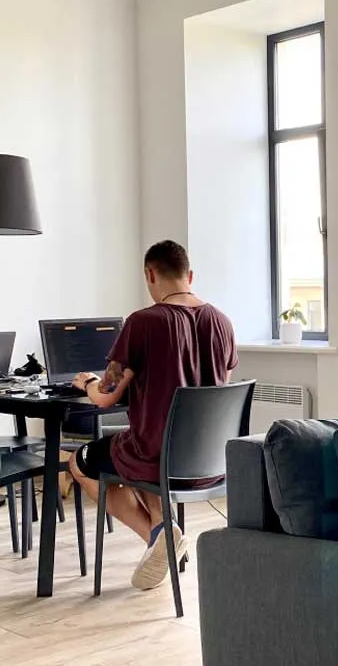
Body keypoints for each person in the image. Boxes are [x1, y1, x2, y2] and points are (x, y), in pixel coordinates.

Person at [67, 240, 238, 590]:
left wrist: (87, 382)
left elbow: (105, 398)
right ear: (189, 276)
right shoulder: (222, 322)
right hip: (209, 462)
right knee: (134, 451)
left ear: (150, 274)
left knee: (80, 464)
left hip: (155, 456)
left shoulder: (143, 322)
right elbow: (219, 390)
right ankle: (164, 534)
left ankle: (160, 533)